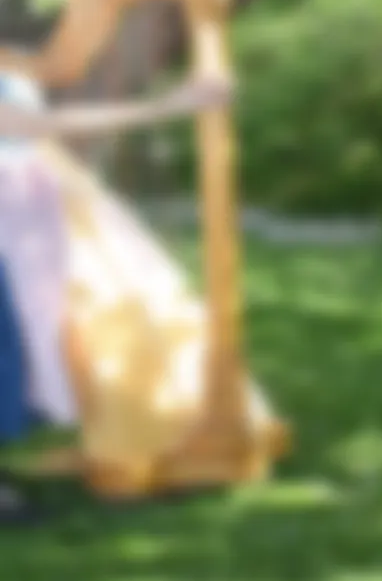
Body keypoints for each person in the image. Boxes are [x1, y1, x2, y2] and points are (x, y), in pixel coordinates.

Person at [0, 63, 268, 521]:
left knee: (30, 345)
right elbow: (38, 124)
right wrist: (166, 106)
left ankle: (143, 444)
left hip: (24, 226)